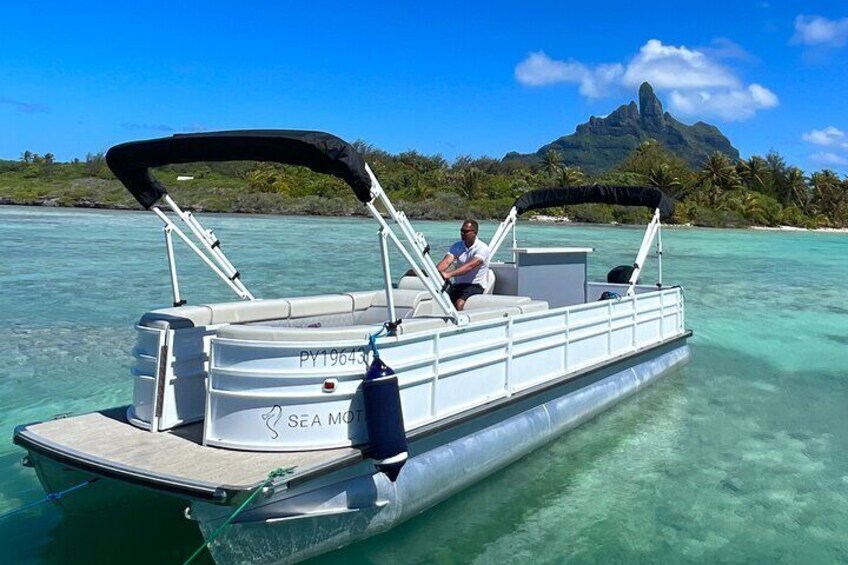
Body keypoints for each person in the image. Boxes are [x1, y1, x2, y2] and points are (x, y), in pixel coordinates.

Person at [436, 219, 491, 311]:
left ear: (475, 233)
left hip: (475, 285)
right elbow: (446, 261)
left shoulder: (482, 248)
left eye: (465, 231)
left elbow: (470, 266)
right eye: (461, 231)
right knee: (440, 299)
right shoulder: (457, 246)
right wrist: (435, 272)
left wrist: (448, 274)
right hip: (459, 285)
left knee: (459, 303)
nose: (462, 233)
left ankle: (462, 323)